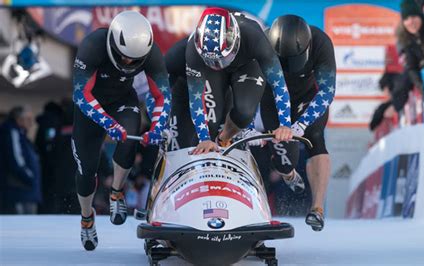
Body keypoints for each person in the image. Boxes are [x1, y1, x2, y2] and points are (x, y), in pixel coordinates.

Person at [71, 10, 171, 251]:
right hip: (91, 106)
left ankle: (116, 193)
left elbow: (161, 95)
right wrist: (108, 124)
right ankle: (87, 217)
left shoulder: (152, 53)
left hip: (123, 100)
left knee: (129, 140)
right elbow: (80, 94)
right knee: (86, 168)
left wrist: (158, 126)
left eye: (135, 60)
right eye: (124, 57)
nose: (128, 63)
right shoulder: (93, 46)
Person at [256, 15, 336, 231]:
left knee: (315, 138)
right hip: (273, 98)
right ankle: (289, 175)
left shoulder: (321, 43)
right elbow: (267, 86)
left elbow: (327, 91)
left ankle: (317, 209)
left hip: (307, 97)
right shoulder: (262, 43)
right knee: (285, 161)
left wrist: (301, 124)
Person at [185, 7, 293, 155]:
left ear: (234, 39)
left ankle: (223, 139)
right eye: (213, 60)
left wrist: (285, 124)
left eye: (222, 58)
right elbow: (196, 97)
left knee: (245, 111)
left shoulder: (255, 37)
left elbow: (278, 84)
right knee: (210, 123)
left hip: (247, 65)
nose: (219, 64)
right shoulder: (193, 50)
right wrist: (204, 138)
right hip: (210, 72)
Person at [0, 106, 42, 214]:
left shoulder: (21, 135)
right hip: (19, 191)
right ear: (19, 119)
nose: (31, 123)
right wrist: (30, 177)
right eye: (28, 119)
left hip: (25, 190)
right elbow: (16, 159)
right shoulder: (12, 132)